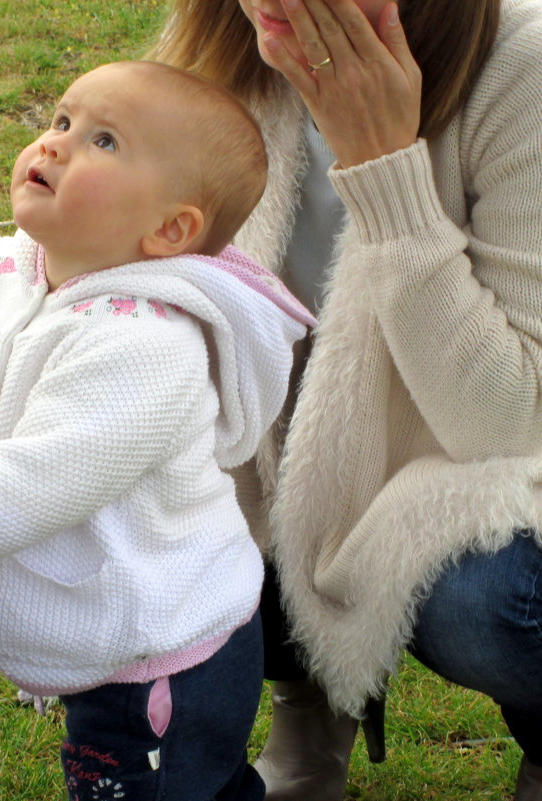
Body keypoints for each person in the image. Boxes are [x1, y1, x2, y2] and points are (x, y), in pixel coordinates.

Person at [0, 60, 315, 800]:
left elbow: (48, 472)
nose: (56, 144)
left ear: (170, 228)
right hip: (118, 629)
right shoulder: (7, 268)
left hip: (163, 656)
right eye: (62, 121)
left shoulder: (150, 348)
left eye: (103, 141)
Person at [149, 1, 542, 799]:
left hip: (496, 466)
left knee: (485, 604)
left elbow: (512, 419)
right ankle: (309, 706)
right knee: (152, 493)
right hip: (315, 458)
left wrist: (385, 164)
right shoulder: (226, 44)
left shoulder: (522, 59)